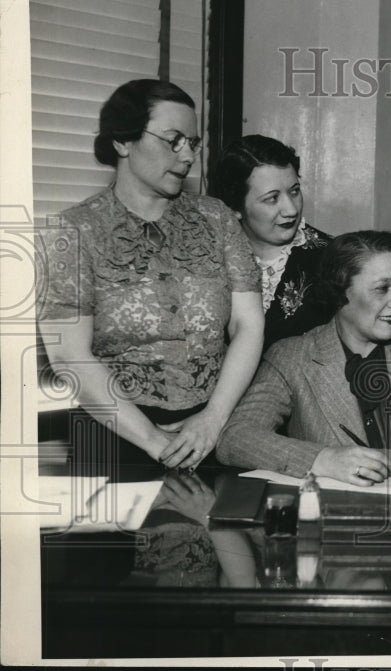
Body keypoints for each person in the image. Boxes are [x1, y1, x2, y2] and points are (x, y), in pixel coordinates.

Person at [36, 79, 264, 469]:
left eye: (192, 143)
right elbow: (70, 356)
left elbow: (248, 326)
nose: (187, 155)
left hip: (213, 431)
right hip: (113, 438)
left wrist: (212, 421)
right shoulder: (71, 233)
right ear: (123, 142)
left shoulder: (218, 219)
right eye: (173, 139)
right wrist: (154, 440)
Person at [216, 231, 391, 481]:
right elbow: (235, 439)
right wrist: (322, 459)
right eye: (382, 289)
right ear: (341, 290)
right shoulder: (292, 357)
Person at [210, 135, 333, 350]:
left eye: (294, 192)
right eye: (272, 198)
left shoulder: (336, 258)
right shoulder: (209, 260)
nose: (291, 210)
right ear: (234, 208)